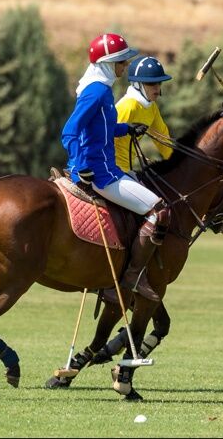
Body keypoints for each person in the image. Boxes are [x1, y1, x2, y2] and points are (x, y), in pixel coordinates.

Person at [61, 34, 166, 302]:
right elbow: (70, 131)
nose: (125, 66)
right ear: (108, 63)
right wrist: (82, 165)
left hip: (107, 168)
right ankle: (131, 277)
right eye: (121, 61)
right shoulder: (96, 91)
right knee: (159, 210)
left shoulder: (103, 89)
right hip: (102, 174)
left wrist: (126, 129)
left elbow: (102, 130)